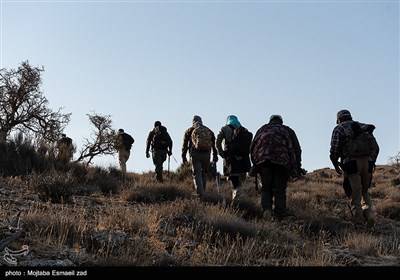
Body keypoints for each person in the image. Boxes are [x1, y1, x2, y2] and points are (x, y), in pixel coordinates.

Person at [329, 109, 379, 230]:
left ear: (339, 119)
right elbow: (376, 148)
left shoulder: (339, 128)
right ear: (350, 117)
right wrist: (372, 161)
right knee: (364, 192)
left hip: (351, 163)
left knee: (354, 194)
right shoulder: (363, 126)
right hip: (367, 163)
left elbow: (334, 150)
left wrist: (336, 165)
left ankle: (359, 225)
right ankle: (369, 214)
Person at [250, 115, 299, 221]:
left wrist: (255, 165)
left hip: (263, 162)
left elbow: (252, 147)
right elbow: (296, 149)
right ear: (281, 121)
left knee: (266, 188)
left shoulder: (262, 129)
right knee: (280, 190)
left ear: (270, 121)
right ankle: (279, 215)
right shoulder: (287, 130)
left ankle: (267, 210)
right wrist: (296, 167)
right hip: (282, 163)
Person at [216, 115, 252, 201]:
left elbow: (218, 142)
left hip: (230, 159)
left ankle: (237, 203)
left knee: (235, 182)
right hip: (244, 161)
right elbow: (250, 145)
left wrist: (222, 154)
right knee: (240, 183)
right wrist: (246, 154)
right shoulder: (244, 130)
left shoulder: (224, 129)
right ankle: (240, 201)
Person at [181, 115, 218, 198]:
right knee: (204, 173)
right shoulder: (209, 131)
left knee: (197, 173)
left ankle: (200, 193)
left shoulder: (189, 130)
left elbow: (185, 145)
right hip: (206, 154)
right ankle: (203, 192)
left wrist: (183, 156)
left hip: (195, 154)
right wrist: (215, 156)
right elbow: (213, 145)